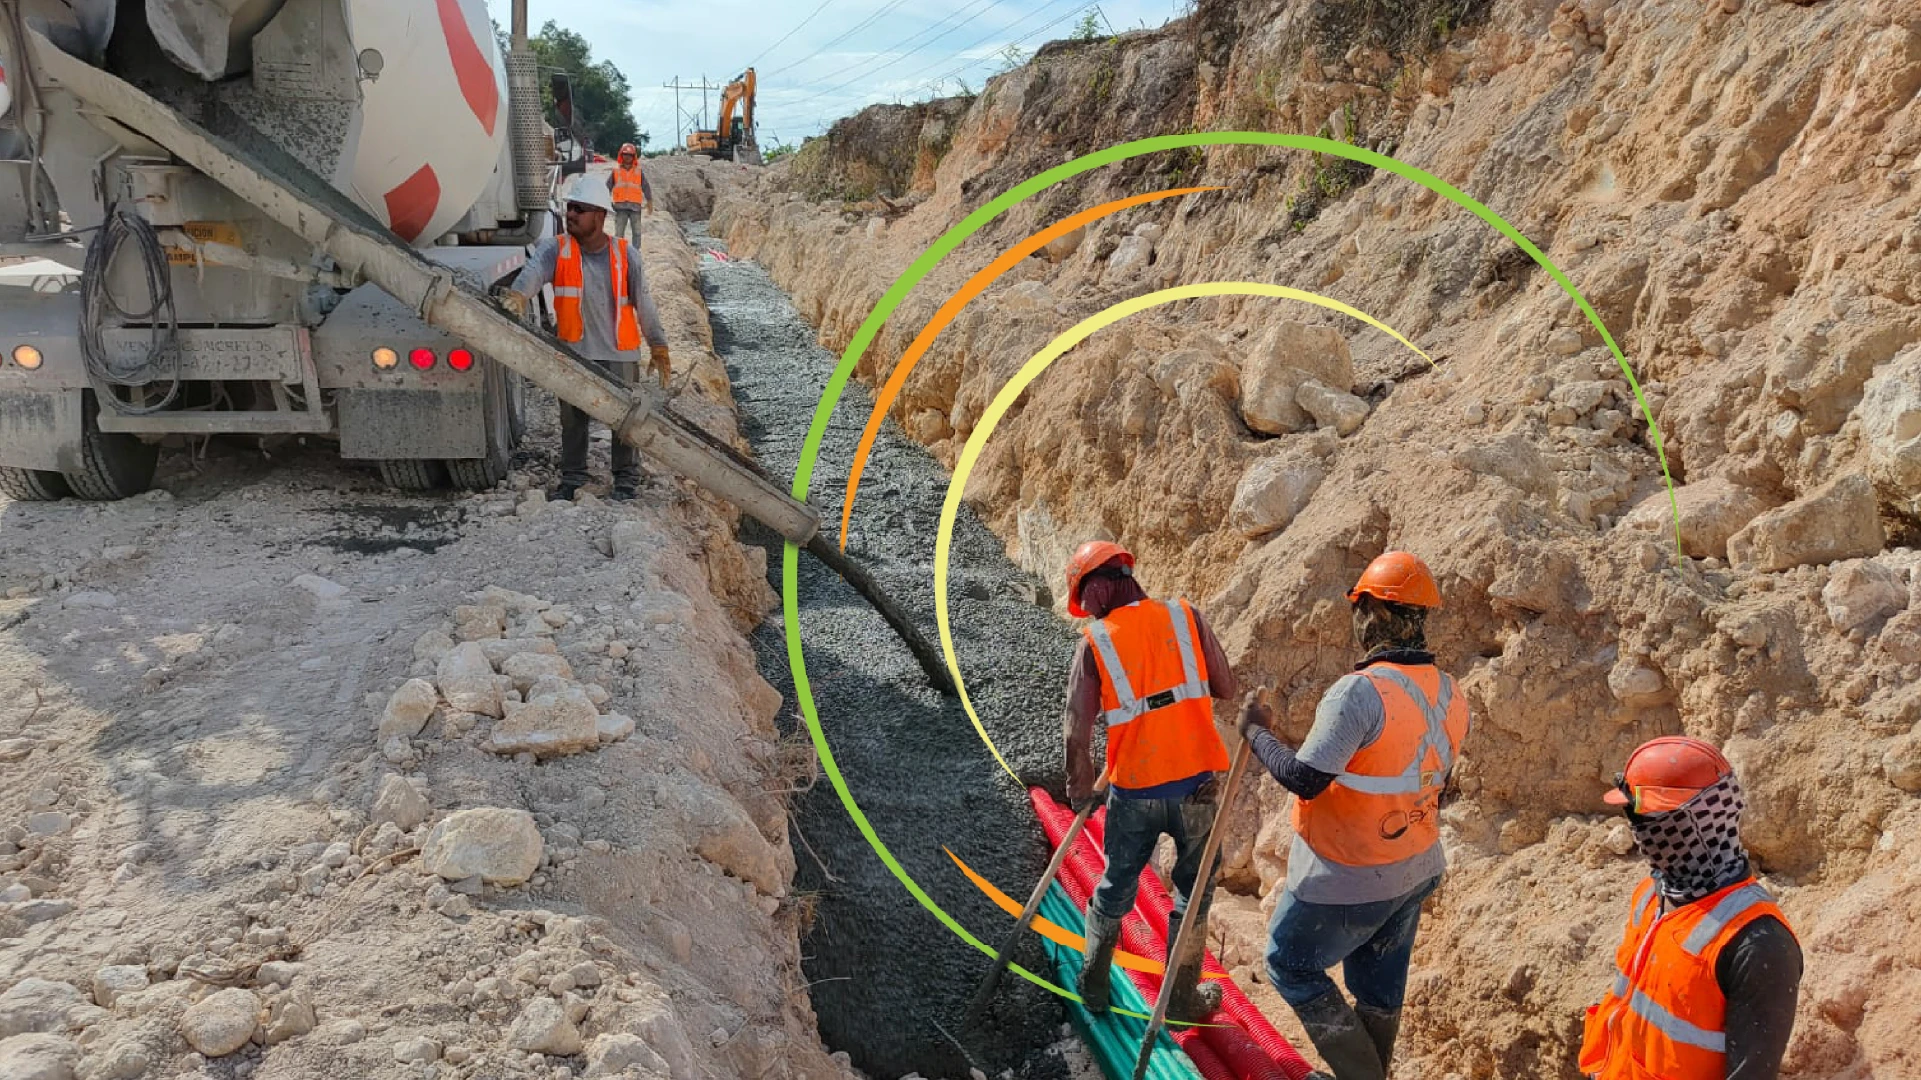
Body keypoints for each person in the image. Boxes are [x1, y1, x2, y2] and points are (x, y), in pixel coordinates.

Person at [1237, 551, 1468, 1080]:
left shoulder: (1359, 693)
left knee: (1290, 964)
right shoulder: (1452, 694)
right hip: (1417, 865)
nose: (1357, 622)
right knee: (1377, 987)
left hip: (1350, 870)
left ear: (1376, 612)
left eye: (1360, 609)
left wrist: (1256, 733)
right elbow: (1435, 785)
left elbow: (1305, 779)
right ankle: (1366, 1070)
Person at [1062, 540, 1239, 1021]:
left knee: (1118, 881)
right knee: (1194, 890)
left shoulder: (1096, 641)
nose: (1088, 609)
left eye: (1086, 596)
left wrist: (1080, 791)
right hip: (1197, 786)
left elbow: (1076, 729)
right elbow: (1226, 687)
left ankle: (1094, 984)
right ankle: (1181, 997)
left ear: (1100, 586)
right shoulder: (1185, 617)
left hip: (1135, 788)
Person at [1579, 737, 1801, 1080]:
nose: (1639, 832)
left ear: (1696, 821)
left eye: (1649, 819)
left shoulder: (1757, 943)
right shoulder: (1653, 894)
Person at [498, 175, 672, 502]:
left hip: (619, 353)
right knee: (573, 421)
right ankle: (573, 478)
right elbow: (531, 276)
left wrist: (658, 345)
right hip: (574, 352)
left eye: (579, 209)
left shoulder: (625, 254)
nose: (571, 215)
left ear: (600, 215)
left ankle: (625, 481)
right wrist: (519, 296)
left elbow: (644, 303)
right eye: (569, 208)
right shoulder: (555, 249)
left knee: (626, 422)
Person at [610, 143, 654, 242]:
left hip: (635, 207)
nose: (627, 157)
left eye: (630, 155)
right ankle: (618, 254)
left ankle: (635, 253)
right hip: (620, 207)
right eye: (625, 154)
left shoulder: (638, 171)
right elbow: (607, 187)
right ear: (621, 155)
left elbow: (646, 187)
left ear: (634, 156)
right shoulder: (616, 171)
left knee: (637, 233)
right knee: (619, 233)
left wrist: (650, 201)